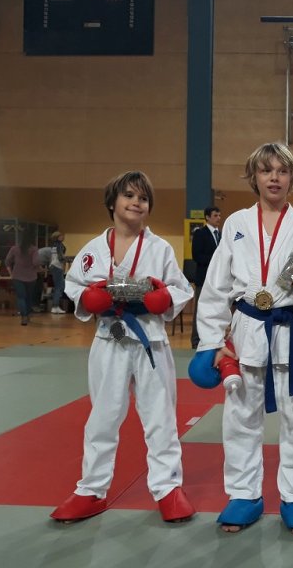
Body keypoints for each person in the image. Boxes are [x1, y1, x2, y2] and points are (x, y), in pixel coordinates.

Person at [188, 142, 293, 536]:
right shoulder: (236, 222)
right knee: (240, 417)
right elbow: (216, 287)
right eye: (266, 170)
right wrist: (210, 341)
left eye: (282, 171)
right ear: (254, 176)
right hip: (248, 326)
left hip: (290, 328)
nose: (274, 178)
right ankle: (244, 494)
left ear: (292, 178)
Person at [50, 171, 196, 524]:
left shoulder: (160, 248)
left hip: (150, 340)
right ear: (112, 202)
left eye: (143, 198)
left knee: (160, 417)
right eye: (129, 195)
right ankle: (91, 489)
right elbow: (73, 284)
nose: (136, 203)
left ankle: (168, 488)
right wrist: (87, 297)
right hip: (109, 338)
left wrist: (165, 298)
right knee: (103, 416)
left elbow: (182, 288)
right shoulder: (93, 249)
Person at [190, 206, 222, 348]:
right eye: (215, 215)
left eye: (219, 215)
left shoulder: (220, 234)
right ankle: (196, 340)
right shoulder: (200, 233)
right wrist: (216, 259)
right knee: (200, 310)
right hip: (204, 278)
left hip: (218, 280)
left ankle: (213, 339)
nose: (218, 218)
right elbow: (197, 256)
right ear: (207, 217)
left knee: (216, 310)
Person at [5, 228, 40, 326]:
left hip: (17, 276)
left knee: (21, 297)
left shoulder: (14, 249)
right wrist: (38, 268)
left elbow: (7, 261)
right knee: (29, 297)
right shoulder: (34, 249)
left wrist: (10, 273)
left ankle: (23, 316)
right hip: (31, 277)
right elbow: (36, 262)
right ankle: (28, 314)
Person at [49, 231, 67, 314]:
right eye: (61, 236)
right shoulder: (59, 245)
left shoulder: (53, 245)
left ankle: (55, 305)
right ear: (57, 237)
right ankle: (55, 306)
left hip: (53, 265)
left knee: (60, 286)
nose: (63, 237)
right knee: (59, 287)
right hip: (57, 266)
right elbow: (60, 257)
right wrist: (66, 259)